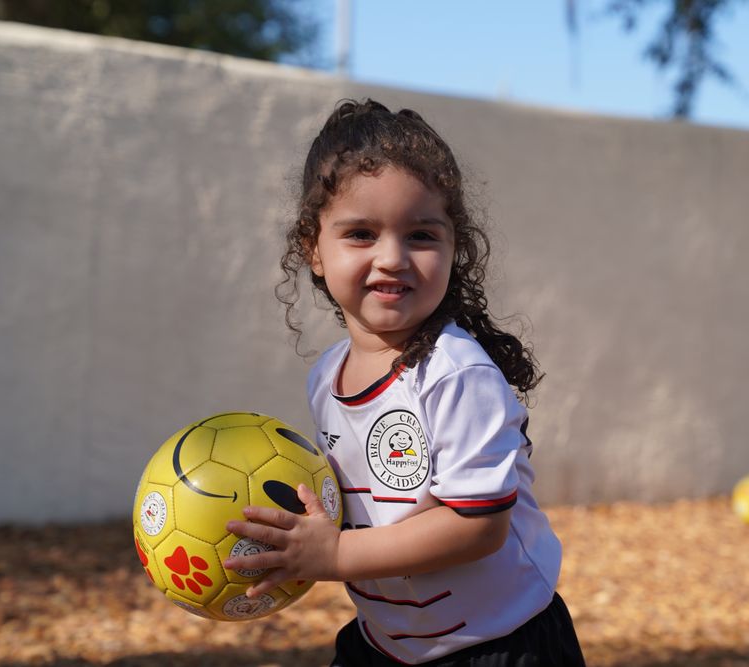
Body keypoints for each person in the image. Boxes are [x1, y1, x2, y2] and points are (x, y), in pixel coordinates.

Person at [223, 98, 585, 666]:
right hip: (388, 643)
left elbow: (477, 526)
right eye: (361, 233)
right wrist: (291, 538)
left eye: (421, 235)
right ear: (312, 250)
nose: (392, 258)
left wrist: (335, 554)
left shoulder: (455, 374)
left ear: (453, 248)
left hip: (499, 644)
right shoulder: (326, 378)